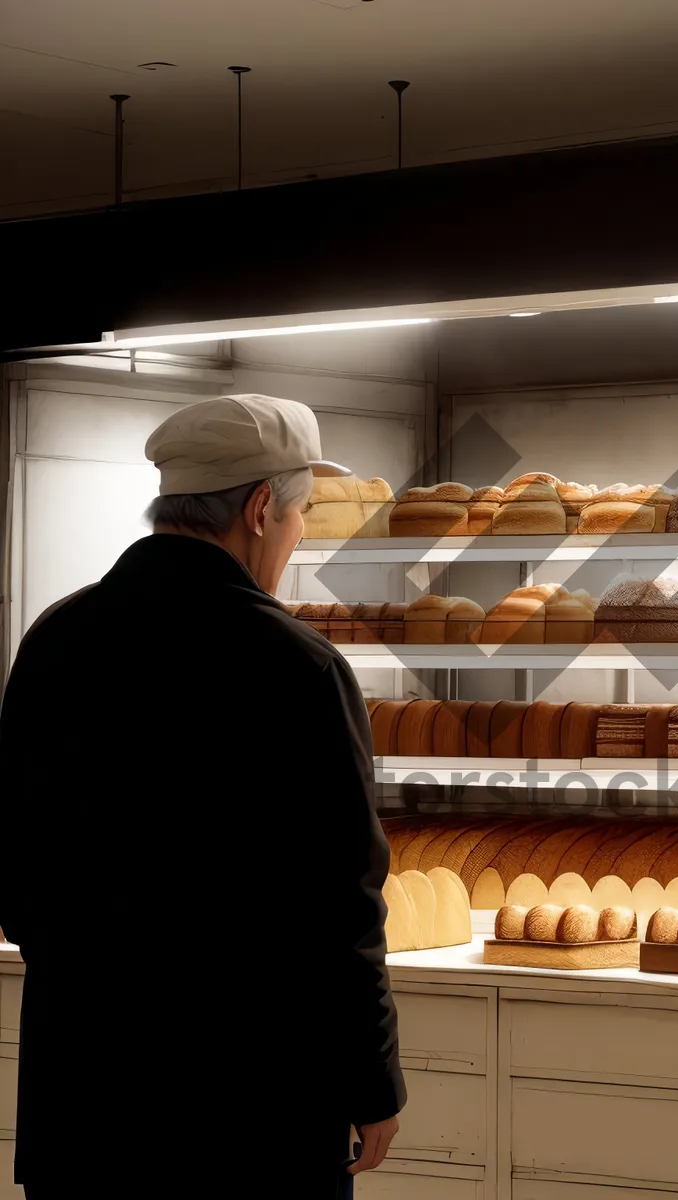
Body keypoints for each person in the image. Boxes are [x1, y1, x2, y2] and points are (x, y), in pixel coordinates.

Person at [0, 394, 405, 1197]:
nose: (297, 538)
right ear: (260, 509)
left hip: (83, 1099)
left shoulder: (54, 640)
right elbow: (341, 904)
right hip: (252, 1114)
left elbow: (16, 878)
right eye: (300, 516)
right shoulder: (300, 667)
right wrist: (373, 1084)